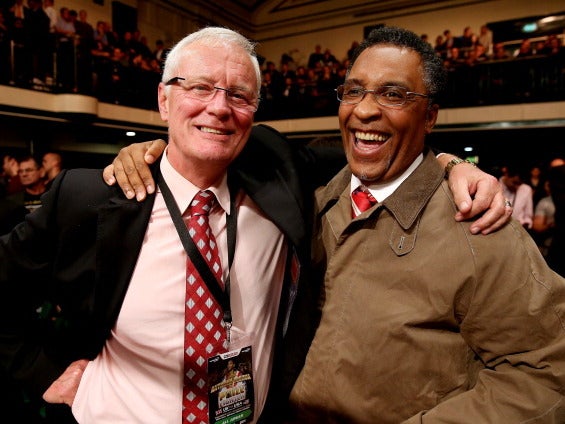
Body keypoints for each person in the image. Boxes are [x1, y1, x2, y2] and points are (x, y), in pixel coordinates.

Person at [280, 25, 565, 423]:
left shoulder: (478, 225)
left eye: (393, 94)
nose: (364, 109)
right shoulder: (309, 206)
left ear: (429, 116)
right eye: (353, 91)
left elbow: (545, 377)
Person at [0, 155, 45, 233]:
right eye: (20, 171)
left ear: (41, 172)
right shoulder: (11, 202)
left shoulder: (53, 197)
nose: (24, 174)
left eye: (28, 170)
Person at [499, 163, 534, 228]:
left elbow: (528, 216)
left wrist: (526, 224)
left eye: (519, 184)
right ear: (507, 174)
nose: (517, 187)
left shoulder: (526, 189)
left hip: (519, 229)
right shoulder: (496, 186)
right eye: (515, 183)